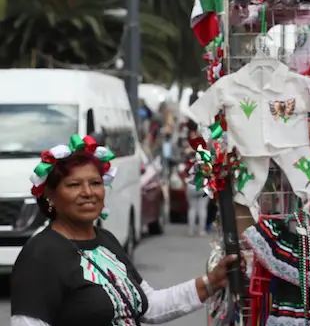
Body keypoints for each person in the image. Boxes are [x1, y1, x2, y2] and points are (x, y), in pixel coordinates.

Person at [11, 133, 238, 326]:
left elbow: (149, 305)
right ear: (50, 196)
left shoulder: (105, 240)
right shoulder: (40, 255)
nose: (88, 192)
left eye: (96, 183)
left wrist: (211, 282)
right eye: (73, 185)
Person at [183, 120, 208, 236]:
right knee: (202, 208)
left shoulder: (188, 154)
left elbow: (183, 169)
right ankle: (201, 230)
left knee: (192, 208)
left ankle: (190, 229)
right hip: (203, 183)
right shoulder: (205, 153)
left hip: (191, 183)